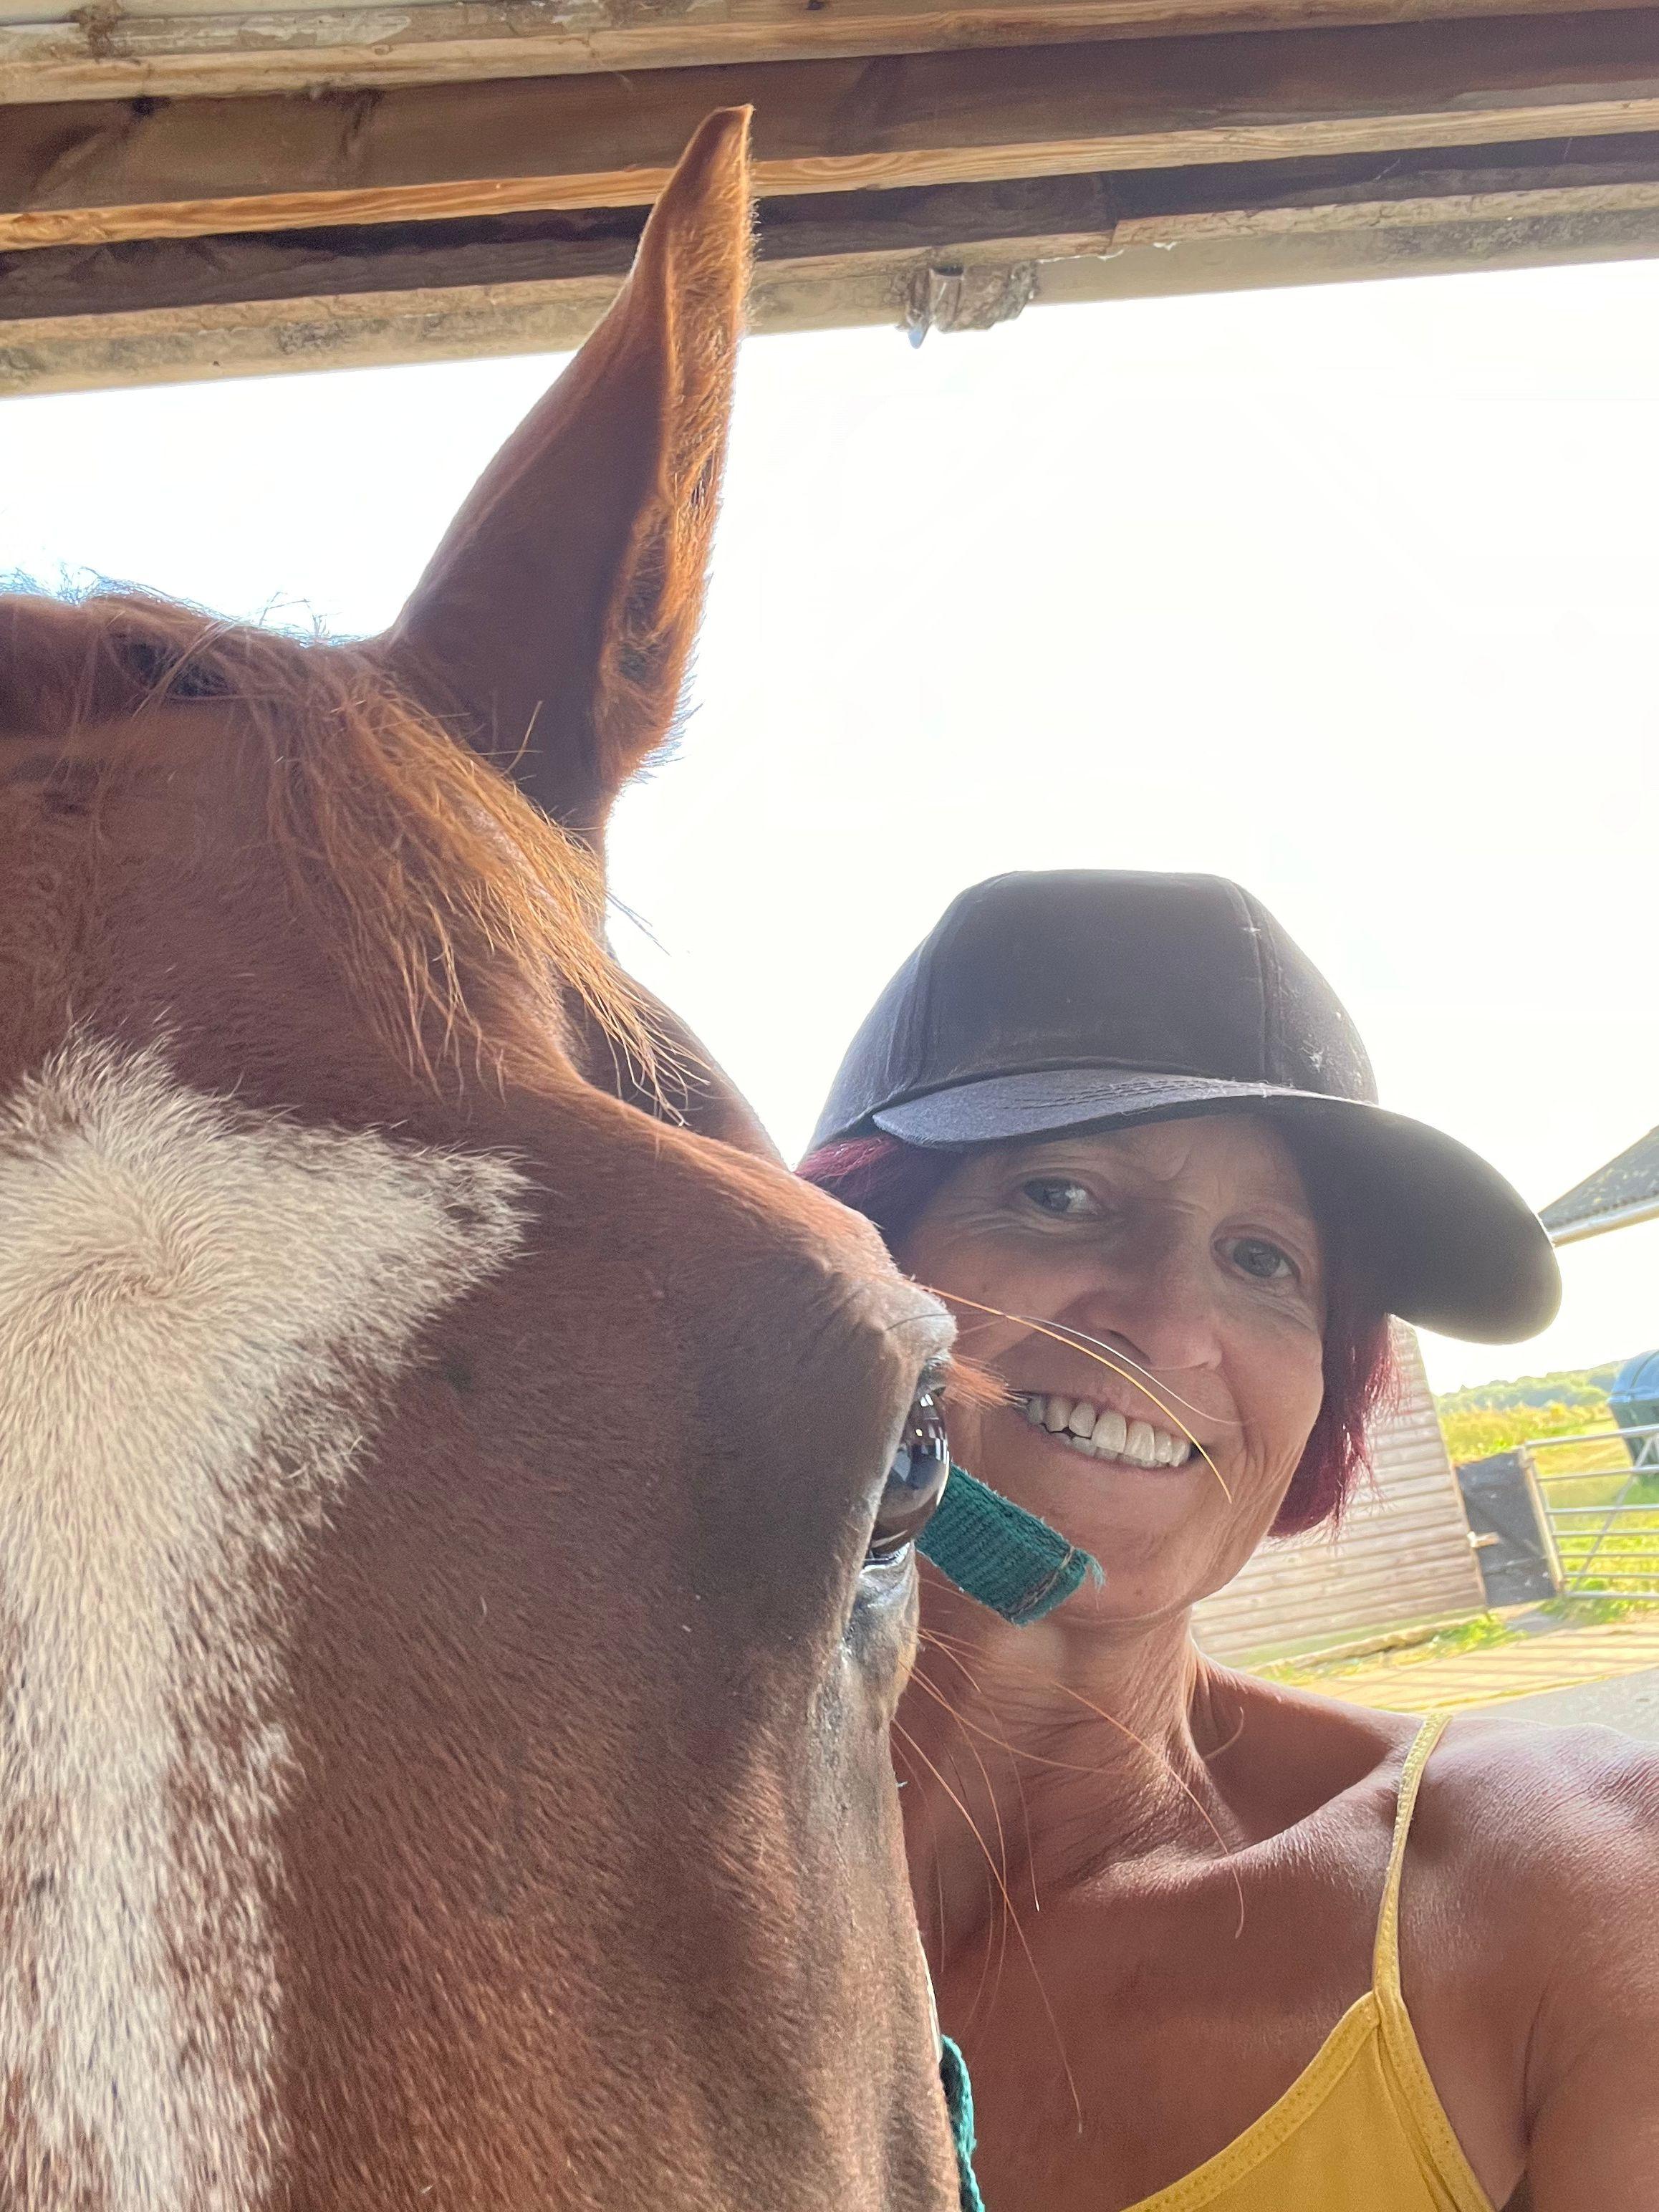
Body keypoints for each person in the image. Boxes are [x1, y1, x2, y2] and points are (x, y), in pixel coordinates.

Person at [800, 870, 1659, 2212]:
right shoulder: (560, 1866)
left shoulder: (1573, 1896)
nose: (1166, 1323)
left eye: (1266, 1259)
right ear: (853, 1260)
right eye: (1060, 1195)